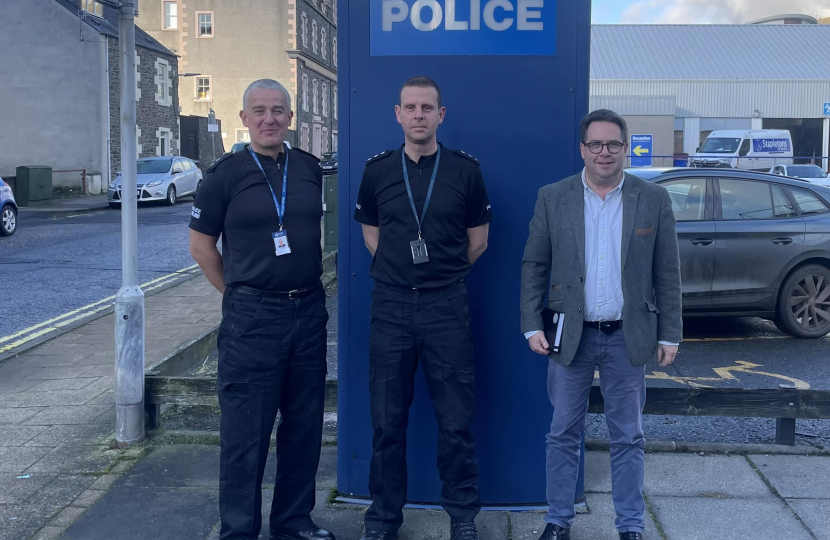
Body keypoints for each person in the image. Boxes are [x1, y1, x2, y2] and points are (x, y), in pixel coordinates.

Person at [520, 109, 682, 540]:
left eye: (613, 144)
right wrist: (530, 324)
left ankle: (630, 526)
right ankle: (558, 521)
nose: (604, 152)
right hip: (570, 335)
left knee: (629, 436)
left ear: (625, 149)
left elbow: (667, 271)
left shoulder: (652, 199)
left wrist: (670, 332)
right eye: (596, 144)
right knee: (562, 433)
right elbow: (534, 264)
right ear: (582, 149)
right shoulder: (554, 197)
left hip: (627, 336)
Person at [189, 79, 334, 540]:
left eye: (277, 110)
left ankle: (293, 523)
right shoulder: (223, 176)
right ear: (244, 118)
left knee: (304, 426)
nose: (269, 119)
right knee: (245, 437)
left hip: (309, 312)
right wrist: (238, 294)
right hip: (252, 319)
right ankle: (238, 531)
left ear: (290, 118)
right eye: (259, 111)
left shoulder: (310, 169)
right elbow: (201, 247)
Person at [353, 76, 492, 540]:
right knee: (387, 421)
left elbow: (478, 242)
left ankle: (463, 518)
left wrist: (437, 276)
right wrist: (401, 271)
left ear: (440, 115)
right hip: (390, 305)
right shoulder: (376, 171)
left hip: (446, 306)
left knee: (456, 420)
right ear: (398, 114)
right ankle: (383, 520)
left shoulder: (465, 171)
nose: (418, 115)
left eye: (426, 108)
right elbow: (371, 235)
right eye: (410, 107)